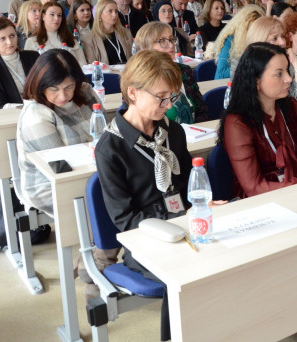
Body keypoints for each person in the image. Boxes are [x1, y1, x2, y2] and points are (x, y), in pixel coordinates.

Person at [95, 50, 225, 341]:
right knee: (180, 277)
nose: (168, 106)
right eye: (161, 98)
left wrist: (199, 207)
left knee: (226, 260)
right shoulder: (111, 148)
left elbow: (184, 187)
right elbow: (125, 220)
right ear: (132, 93)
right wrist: (180, 218)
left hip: (184, 223)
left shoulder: (172, 132)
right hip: (145, 240)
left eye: (173, 98)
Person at [220, 42, 297, 199]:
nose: (289, 79)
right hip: (259, 203)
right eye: (279, 74)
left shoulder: (291, 107)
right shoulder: (237, 123)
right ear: (256, 81)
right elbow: (254, 187)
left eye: (287, 71)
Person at [15, 49, 96, 217]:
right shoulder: (35, 114)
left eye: (69, 86)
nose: (63, 95)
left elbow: (104, 135)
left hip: (90, 170)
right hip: (49, 185)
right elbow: (60, 167)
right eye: (54, 89)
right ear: (40, 84)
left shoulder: (85, 91)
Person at [0, 17, 40, 156]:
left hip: (39, 115)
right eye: (2, 39)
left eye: (12, 36)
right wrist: (28, 108)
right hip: (9, 120)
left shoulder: (33, 57)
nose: (9, 42)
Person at [135, 22, 209, 123]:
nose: (171, 45)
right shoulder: (139, 79)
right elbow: (141, 122)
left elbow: (202, 110)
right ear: (147, 47)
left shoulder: (184, 71)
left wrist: (197, 130)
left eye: (171, 39)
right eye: (162, 41)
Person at [213, 4, 265, 79]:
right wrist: (248, 68)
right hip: (231, 85)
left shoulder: (264, 40)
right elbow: (221, 73)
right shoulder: (229, 40)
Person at [83, 0, 133, 65]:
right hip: (107, 74)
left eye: (116, 11)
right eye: (110, 11)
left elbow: (134, 56)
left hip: (128, 72)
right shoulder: (88, 39)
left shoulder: (126, 33)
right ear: (100, 14)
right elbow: (92, 65)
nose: (114, 15)